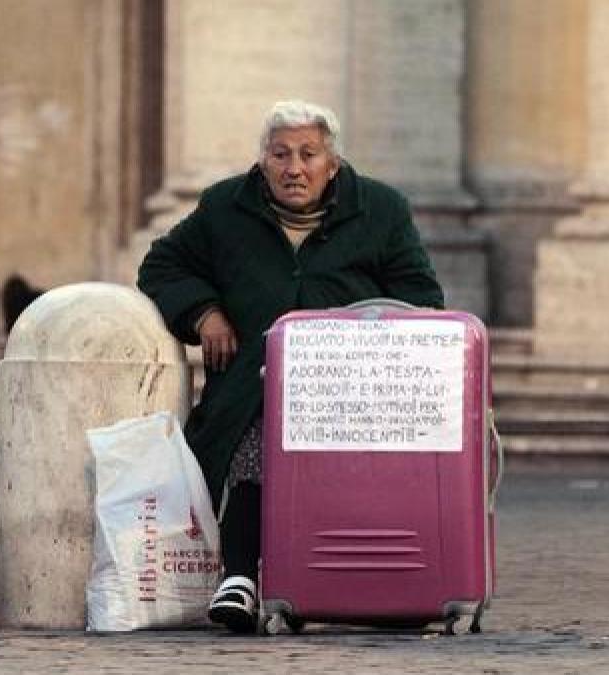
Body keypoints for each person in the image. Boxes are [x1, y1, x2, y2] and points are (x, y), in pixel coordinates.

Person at [138, 100, 444, 632]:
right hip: (252, 385)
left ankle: (377, 586)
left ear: (334, 163)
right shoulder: (224, 207)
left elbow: (422, 300)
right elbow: (162, 264)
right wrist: (205, 312)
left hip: (353, 392)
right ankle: (240, 579)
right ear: (262, 161)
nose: (293, 168)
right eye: (280, 154)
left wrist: (363, 342)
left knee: (323, 450)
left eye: (308, 154)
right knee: (263, 427)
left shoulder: (381, 210)